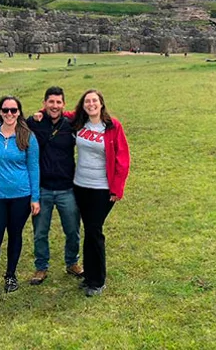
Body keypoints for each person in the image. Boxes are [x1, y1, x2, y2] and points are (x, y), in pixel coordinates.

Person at [72, 89, 130, 297]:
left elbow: (123, 159)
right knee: (89, 229)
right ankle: (89, 274)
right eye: (87, 101)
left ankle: (97, 281)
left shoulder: (112, 126)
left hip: (101, 188)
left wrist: (117, 189)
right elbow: (57, 111)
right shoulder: (79, 122)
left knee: (94, 231)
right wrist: (41, 112)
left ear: (101, 104)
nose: (91, 104)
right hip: (80, 185)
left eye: (94, 101)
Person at [0, 96, 40, 297]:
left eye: (13, 110)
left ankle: (10, 275)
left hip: (21, 196)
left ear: (19, 112)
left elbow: (34, 167)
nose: (9, 114)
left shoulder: (27, 136)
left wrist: (35, 197)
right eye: (5, 110)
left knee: (15, 236)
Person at [26, 87, 83, 285]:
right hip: (42, 188)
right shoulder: (34, 122)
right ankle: (41, 267)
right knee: (40, 231)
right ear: (44, 103)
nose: (55, 106)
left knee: (72, 230)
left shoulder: (72, 125)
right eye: (51, 102)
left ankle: (72, 262)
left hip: (68, 187)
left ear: (63, 105)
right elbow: (11, 125)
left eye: (58, 102)